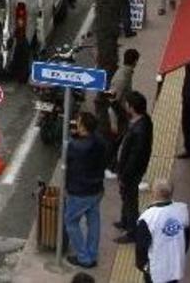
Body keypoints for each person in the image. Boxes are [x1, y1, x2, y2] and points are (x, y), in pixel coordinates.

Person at [64, 111, 108, 270]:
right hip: (96, 188)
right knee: (93, 220)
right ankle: (92, 253)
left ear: (82, 126)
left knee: (71, 222)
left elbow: (67, 156)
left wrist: (72, 137)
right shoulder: (100, 141)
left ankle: (83, 257)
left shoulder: (75, 146)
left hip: (80, 191)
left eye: (78, 121)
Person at [135, 179, 190, 283]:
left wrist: (142, 265)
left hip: (156, 270)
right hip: (176, 265)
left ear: (154, 194)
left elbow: (142, 247)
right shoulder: (182, 210)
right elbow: (186, 238)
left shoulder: (148, 218)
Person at [116, 90, 153, 243]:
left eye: (126, 104)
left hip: (131, 171)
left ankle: (132, 231)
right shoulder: (142, 120)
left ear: (131, 108)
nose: (125, 106)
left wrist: (124, 175)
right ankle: (124, 221)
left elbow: (134, 157)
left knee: (130, 199)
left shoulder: (140, 130)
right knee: (125, 196)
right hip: (129, 169)